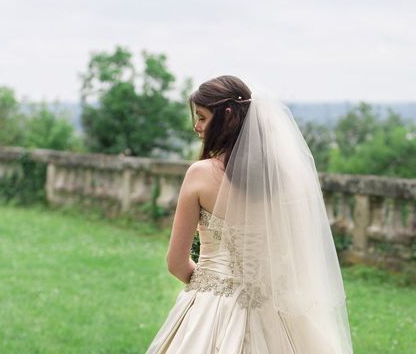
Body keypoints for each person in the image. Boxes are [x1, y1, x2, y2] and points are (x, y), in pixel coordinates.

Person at [146, 75, 353, 353]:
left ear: (227, 117)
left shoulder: (200, 175)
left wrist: (213, 284)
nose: (196, 126)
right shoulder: (284, 180)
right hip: (275, 310)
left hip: (210, 309)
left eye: (203, 118)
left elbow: (176, 263)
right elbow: (296, 261)